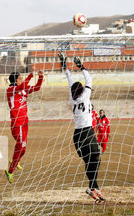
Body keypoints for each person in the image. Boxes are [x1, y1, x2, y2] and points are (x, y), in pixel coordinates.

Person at [59, 53, 105, 202]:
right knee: (96, 159)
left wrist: (64, 65)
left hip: (78, 135)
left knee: (90, 161)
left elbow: (69, 79)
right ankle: (93, 187)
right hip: (86, 132)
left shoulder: (72, 98)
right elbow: (89, 79)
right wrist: (81, 66)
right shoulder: (86, 95)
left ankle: (94, 188)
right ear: (82, 89)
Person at [5, 70, 43, 183]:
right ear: (15, 81)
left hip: (25, 121)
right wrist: (31, 75)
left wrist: (40, 77)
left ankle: (14, 160)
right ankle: (10, 171)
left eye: (22, 78)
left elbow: (36, 88)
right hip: (17, 123)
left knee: (23, 149)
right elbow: (21, 86)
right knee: (21, 145)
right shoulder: (11, 90)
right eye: (20, 78)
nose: (22, 80)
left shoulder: (23, 89)